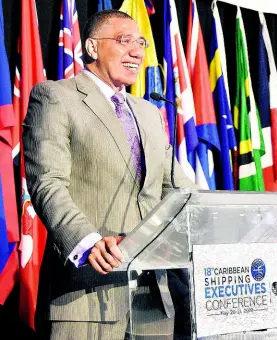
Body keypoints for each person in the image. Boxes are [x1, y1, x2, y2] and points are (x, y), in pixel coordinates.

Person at [22, 10, 197, 340]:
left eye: (140, 42)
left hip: (152, 300)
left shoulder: (149, 112)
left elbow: (175, 187)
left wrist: (214, 217)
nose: (137, 51)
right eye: (124, 40)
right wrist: (87, 243)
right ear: (91, 47)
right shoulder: (56, 96)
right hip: (86, 296)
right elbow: (47, 182)